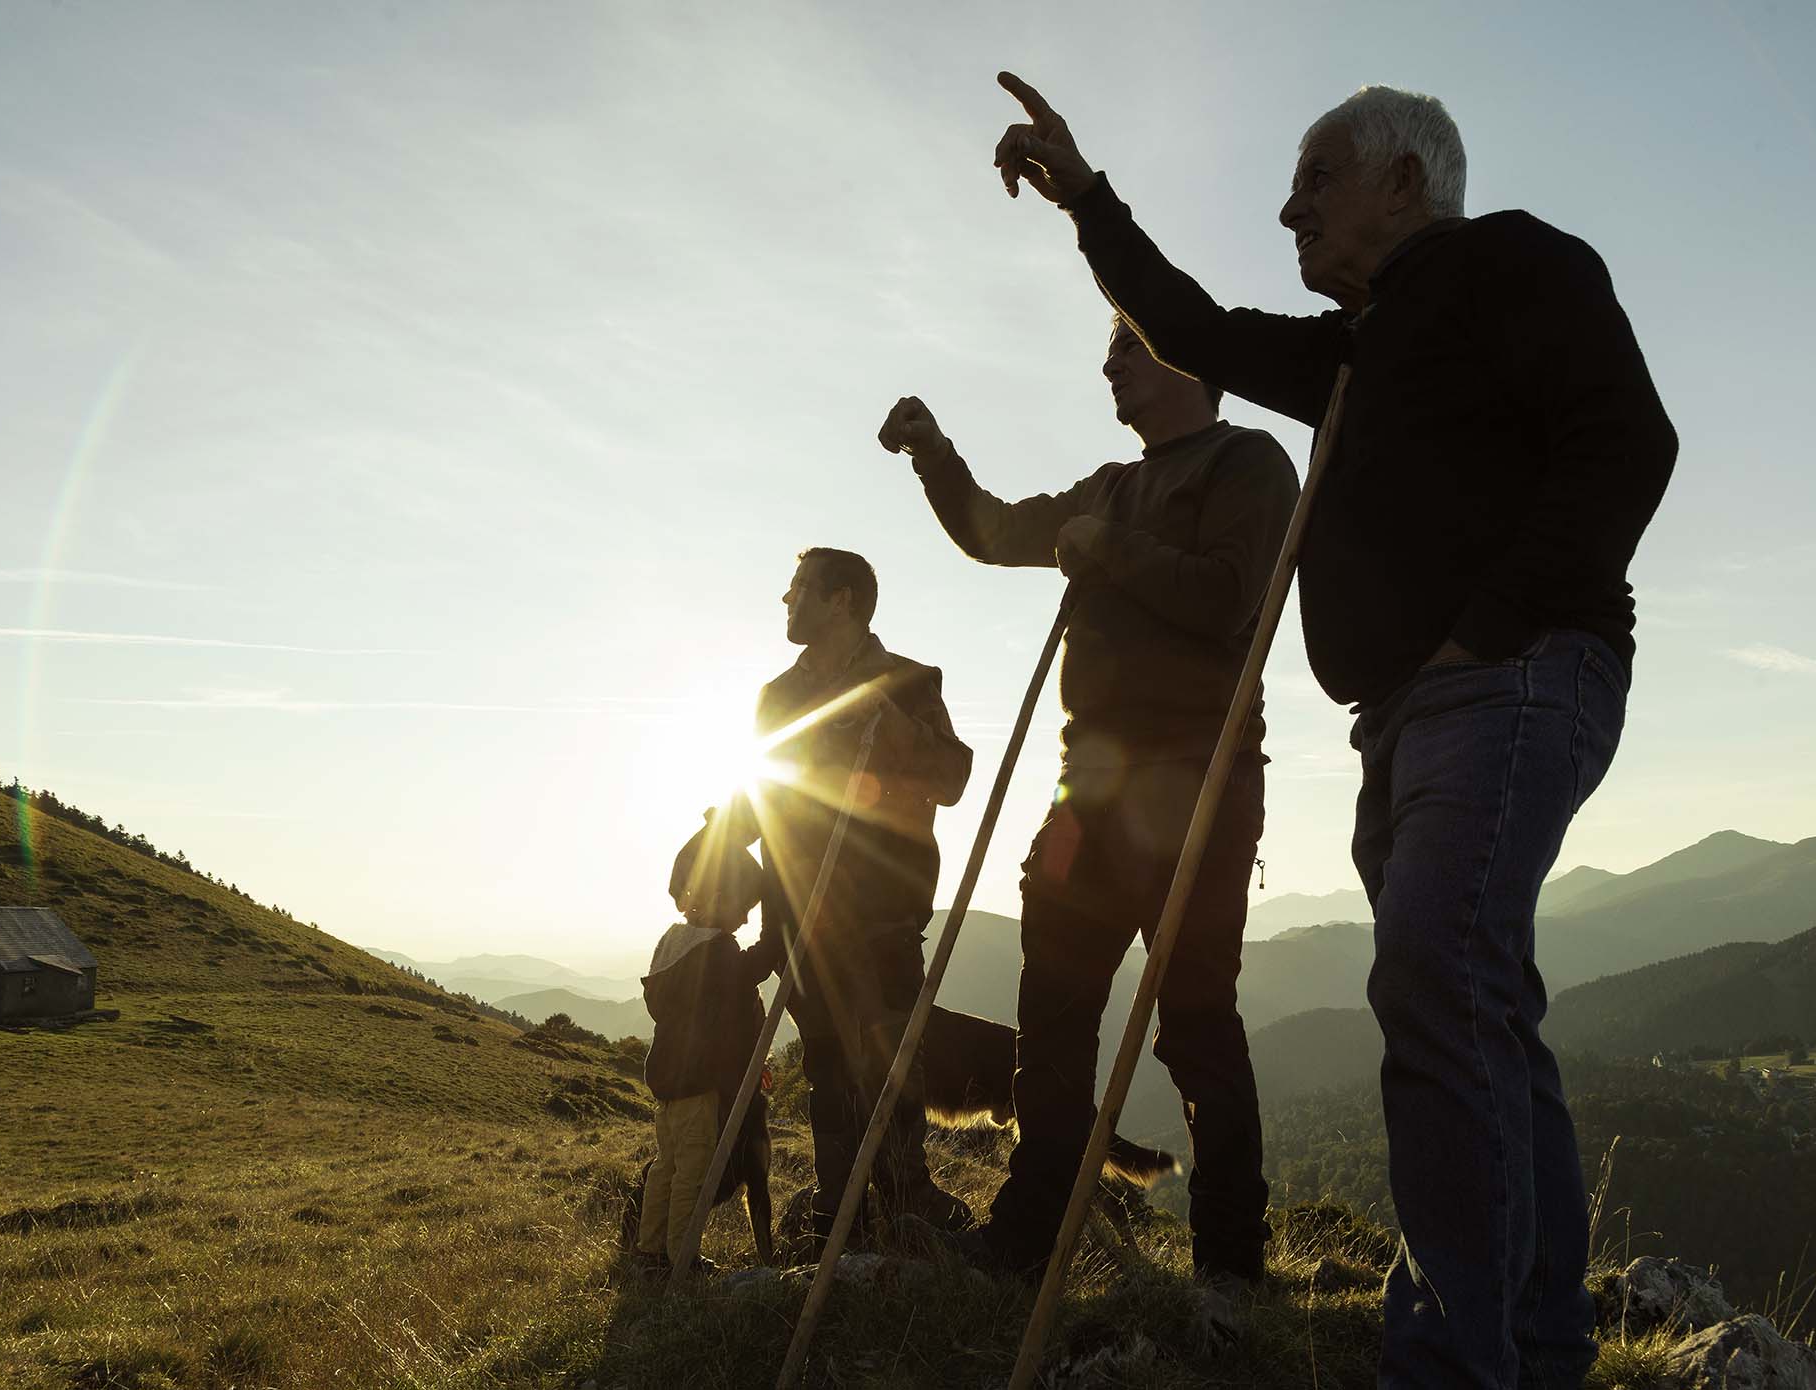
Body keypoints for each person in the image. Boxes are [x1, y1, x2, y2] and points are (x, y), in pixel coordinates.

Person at [988, 73, 1678, 1389]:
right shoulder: (1348, 352)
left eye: (1314, 179)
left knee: (1431, 973)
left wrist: (1484, 628)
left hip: (1513, 677)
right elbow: (1187, 326)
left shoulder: (1508, 267)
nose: (1286, 206)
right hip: (1409, 717)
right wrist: (1084, 198)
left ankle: (1445, 1362)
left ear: (1403, 182)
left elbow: (1624, 442)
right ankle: (1533, 1347)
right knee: (1473, 990)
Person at [876, 318, 1297, 1297]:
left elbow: (1230, 597)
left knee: (1193, 1020)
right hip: (1087, 793)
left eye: (1130, 344)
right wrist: (933, 454)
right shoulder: (1109, 483)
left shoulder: (1248, 465)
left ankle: (1230, 1258)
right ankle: (1027, 1233)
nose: (1109, 361)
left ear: (1187, 362)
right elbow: (990, 530)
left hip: (1198, 780)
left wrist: (1106, 552)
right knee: (1052, 1016)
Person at [690, 547, 976, 1240]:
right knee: (823, 1061)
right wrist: (715, 842)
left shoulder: (907, 682)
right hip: (798, 906)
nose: (786, 602)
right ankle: (838, 1204)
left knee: (889, 1054)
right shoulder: (776, 698)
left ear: (840, 600)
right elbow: (764, 796)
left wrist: (894, 734)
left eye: (797, 590)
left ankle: (906, 1196)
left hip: (883, 903)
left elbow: (952, 777)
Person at [633, 832, 766, 1276]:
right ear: (721, 897)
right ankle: (681, 1257)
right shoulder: (716, 949)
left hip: (668, 1084)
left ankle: (648, 1251)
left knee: (665, 1169)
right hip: (696, 1086)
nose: (746, 919)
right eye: (745, 907)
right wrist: (775, 945)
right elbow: (743, 974)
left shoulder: (673, 944)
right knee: (692, 1174)